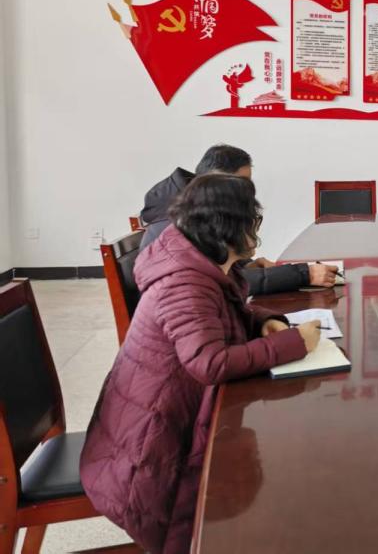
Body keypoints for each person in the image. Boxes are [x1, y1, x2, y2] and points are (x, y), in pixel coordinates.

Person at [80, 174, 320, 554]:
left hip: (166, 417)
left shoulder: (201, 263)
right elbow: (209, 363)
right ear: (227, 228)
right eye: (253, 221)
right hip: (149, 448)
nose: (257, 232)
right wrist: (293, 343)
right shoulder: (184, 282)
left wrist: (262, 322)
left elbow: (218, 317)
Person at [139, 144, 336, 293]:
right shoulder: (179, 224)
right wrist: (301, 275)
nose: (248, 194)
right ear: (217, 183)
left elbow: (217, 263)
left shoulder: (197, 209)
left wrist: (244, 265)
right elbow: (216, 283)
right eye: (241, 185)